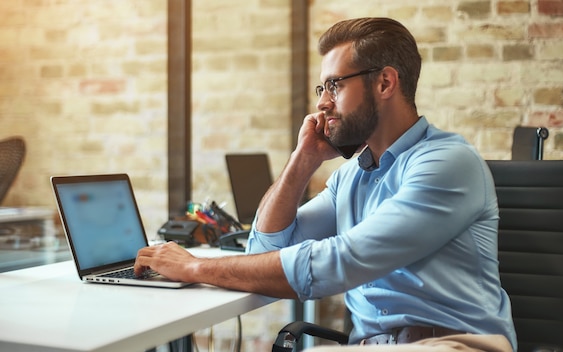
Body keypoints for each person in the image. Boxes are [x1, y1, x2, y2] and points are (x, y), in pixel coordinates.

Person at [134, 17, 517, 351]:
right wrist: (303, 160)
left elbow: (341, 261)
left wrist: (196, 268)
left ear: (385, 82)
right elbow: (264, 247)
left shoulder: (447, 163)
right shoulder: (350, 177)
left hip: (457, 345)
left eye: (334, 85)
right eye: (322, 89)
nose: (322, 103)